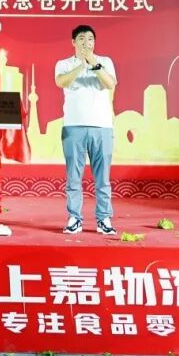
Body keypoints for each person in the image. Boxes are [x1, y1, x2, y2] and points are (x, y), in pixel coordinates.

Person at [54, 24, 117, 236]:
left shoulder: (105, 62)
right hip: (74, 126)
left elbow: (109, 84)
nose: (86, 42)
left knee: (103, 178)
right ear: (73, 42)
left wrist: (93, 63)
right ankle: (74, 218)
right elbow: (61, 82)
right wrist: (81, 65)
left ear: (94, 42)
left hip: (102, 127)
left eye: (90, 39)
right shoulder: (64, 64)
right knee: (74, 176)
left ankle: (104, 219)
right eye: (81, 38)